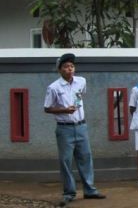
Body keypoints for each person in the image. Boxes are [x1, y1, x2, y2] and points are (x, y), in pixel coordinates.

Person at [44, 53, 106, 206]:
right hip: (64, 129)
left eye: (72, 66)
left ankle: (90, 190)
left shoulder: (81, 81)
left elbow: (80, 96)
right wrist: (64, 110)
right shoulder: (53, 87)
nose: (69, 69)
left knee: (86, 158)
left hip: (81, 126)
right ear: (59, 70)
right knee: (65, 161)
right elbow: (47, 108)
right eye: (66, 67)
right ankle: (69, 192)